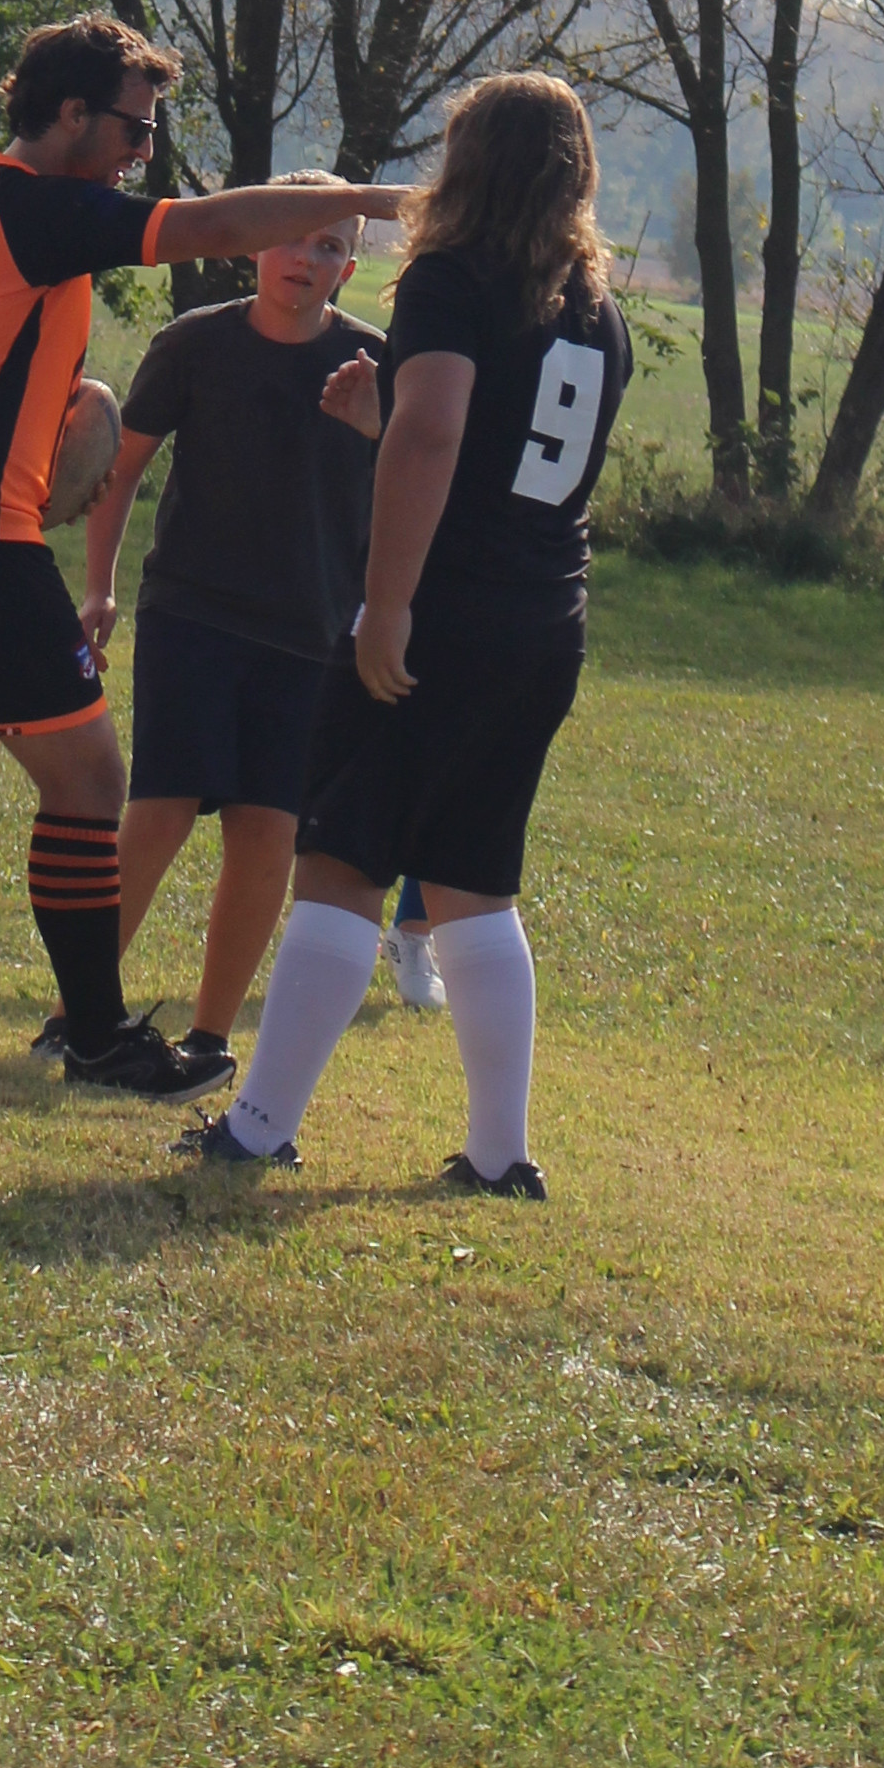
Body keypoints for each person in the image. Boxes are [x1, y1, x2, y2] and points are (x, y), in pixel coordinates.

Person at [0, 14, 398, 1096]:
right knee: (103, 785)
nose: (141, 153)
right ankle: (92, 1032)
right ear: (71, 115)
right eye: (135, 131)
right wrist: (375, 201)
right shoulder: (51, 221)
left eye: (334, 244)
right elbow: (200, 235)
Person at [177, 70, 630, 1197]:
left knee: (340, 859)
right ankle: (500, 1153)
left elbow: (433, 436)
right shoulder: (594, 305)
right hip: (545, 619)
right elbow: (505, 451)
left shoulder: (452, 274)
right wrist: (384, 423)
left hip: (449, 609)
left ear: (467, 161)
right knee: (474, 880)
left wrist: (387, 605)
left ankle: (258, 1127)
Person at [70, 215, 381, 1078]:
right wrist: (99, 588)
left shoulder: (374, 366)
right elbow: (119, 469)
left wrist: (379, 428)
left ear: (350, 267)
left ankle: (210, 1037)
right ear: (253, 246)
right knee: (160, 811)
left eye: (329, 248)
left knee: (267, 832)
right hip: (192, 613)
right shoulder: (195, 343)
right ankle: (79, 1011)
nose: (305, 259)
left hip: (312, 633)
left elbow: (422, 483)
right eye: (291, 238)